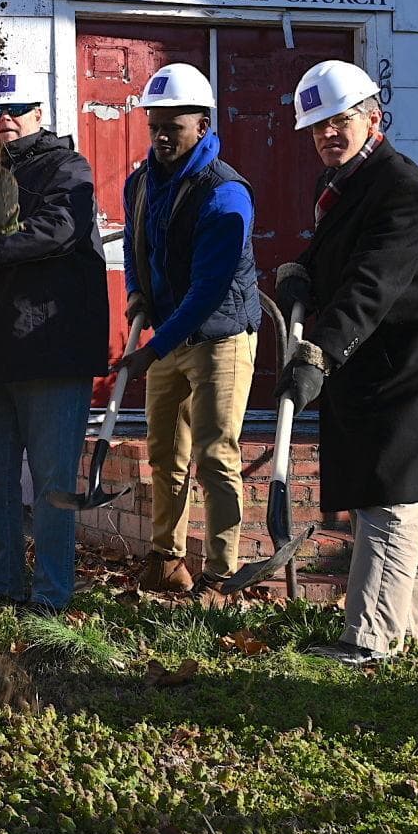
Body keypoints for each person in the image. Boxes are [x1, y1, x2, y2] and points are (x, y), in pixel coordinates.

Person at [278, 62, 418, 666]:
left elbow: (370, 286)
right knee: (392, 502)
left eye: (339, 121)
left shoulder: (405, 192)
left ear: (372, 117)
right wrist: (303, 269)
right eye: (316, 127)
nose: (327, 135)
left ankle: (367, 642)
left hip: (412, 374)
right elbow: (342, 255)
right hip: (374, 374)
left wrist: (318, 351)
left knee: (391, 504)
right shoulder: (343, 183)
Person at [0, 72, 109, 614]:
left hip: (50, 351)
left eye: (18, 107)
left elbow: (59, 229)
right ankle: (3, 586)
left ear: (40, 113)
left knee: (53, 484)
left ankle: (51, 595)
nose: (5, 118)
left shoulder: (68, 169)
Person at [118, 63, 261, 594]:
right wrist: (136, 295)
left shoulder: (225, 193)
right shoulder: (140, 182)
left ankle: (223, 576)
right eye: (154, 123)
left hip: (218, 337)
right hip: (169, 337)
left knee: (215, 455)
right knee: (164, 454)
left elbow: (209, 289)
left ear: (202, 125)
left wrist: (154, 349)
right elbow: (137, 248)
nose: (160, 135)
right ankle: (167, 557)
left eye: (173, 126)